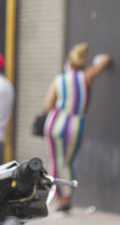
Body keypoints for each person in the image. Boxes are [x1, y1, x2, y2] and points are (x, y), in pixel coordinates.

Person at [42, 42, 111, 212]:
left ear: (69, 61)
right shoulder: (87, 76)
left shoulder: (59, 80)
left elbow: (48, 105)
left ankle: (61, 199)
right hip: (75, 124)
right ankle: (66, 197)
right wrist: (98, 60)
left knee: (57, 161)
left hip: (56, 122)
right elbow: (106, 61)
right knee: (67, 162)